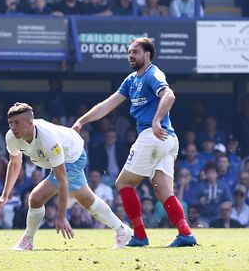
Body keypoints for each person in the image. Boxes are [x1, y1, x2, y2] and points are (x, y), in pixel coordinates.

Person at [72, 37, 197, 248]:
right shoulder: (131, 80)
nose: (130, 56)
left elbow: (169, 95)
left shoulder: (153, 73)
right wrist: (82, 121)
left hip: (153, 136)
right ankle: (185, 233)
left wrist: (156, 120)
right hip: (167, 140)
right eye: (129, 52)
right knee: (163, 191)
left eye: (135, 52)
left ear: (147, 55)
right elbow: (106, 105)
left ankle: (139, 236)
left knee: (123, 183)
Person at [0, 103, 131, 251]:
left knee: (35, 198)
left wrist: (62, 216)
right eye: (10, 123)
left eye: (17, 123)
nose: (13, 127)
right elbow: (15, 163)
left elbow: (62, 180)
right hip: (58, 159)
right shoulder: (11, 137)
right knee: (86, 199)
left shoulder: (47, 139)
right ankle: (122, 229)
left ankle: (27, 241)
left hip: (73, 157)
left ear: (30, 123)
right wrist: (5, 195)